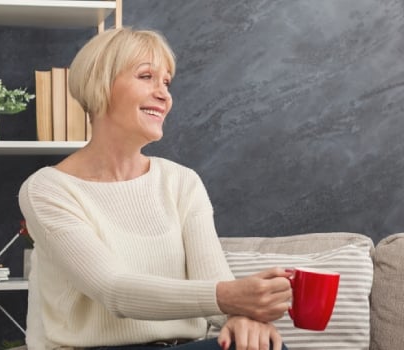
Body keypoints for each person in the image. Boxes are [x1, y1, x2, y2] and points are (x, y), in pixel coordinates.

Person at [18, 27, 292, 350]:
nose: (164, 94)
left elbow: (212, 282)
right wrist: (231, 297)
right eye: (146, 76)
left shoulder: (182, 182)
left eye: (166, 82)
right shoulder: (48, 190)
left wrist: (241, 319)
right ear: (100, 85)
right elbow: (114, 290)